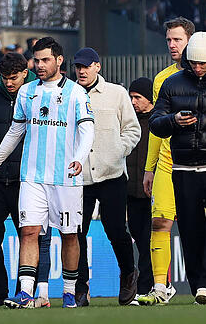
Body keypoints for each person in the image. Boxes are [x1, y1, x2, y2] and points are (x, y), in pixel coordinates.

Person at [0, 37, 94, 309]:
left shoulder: (76, 93)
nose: (39, 65)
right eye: (36, 60)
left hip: (65, 178)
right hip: (32, 176)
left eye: (45, 60)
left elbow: (87, 131)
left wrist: (78, 158)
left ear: (59, 61)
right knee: (29, 231)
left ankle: (70, 291)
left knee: (69, 235)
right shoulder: (28, 92)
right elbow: (15, 132)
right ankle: (26, 293)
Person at [149, 32, 206, 305]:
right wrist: (174, 121)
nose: (198, 68)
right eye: (194, 63)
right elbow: (155, 122)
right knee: (189, 230)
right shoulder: (171, 83)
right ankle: (200, 285)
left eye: (204, 63)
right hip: (183, 168)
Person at [0, 52, 53, 309]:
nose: (9, 83)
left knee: (28, 235)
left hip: (26, 179)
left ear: (25, 72)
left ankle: (24, 290)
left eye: (14, 78)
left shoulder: (38, 94)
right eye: (5, 78)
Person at [72, 47, 141, 306]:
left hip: (111, 173)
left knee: (115, 230)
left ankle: (128, 274)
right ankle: (80, 287)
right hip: (79, 177)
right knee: (76, 232)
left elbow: (133, 130)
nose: (81, 70)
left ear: (97, 66)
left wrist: (117, 151)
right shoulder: (68, 95)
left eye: (86, 66)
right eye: (78, 66)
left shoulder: (117, 93)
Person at [137, 17, 192, 305]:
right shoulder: (162, 79)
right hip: (167, 162)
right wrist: (149, 168)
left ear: (190, 41)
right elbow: (156, 127)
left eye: (177, 39)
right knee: (160, 222)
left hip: (199, 163)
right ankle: (161, 287)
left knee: (200, 226)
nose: (172, 44)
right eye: (169, 40)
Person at [125, 77, 156, 299]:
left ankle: (147, 286)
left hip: (153, 192)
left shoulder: (159, 122)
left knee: (148, 239)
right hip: (130, 191)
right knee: (138, 235)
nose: (133, 101)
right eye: (131, 97)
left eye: (138, 97)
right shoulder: (128, 121)